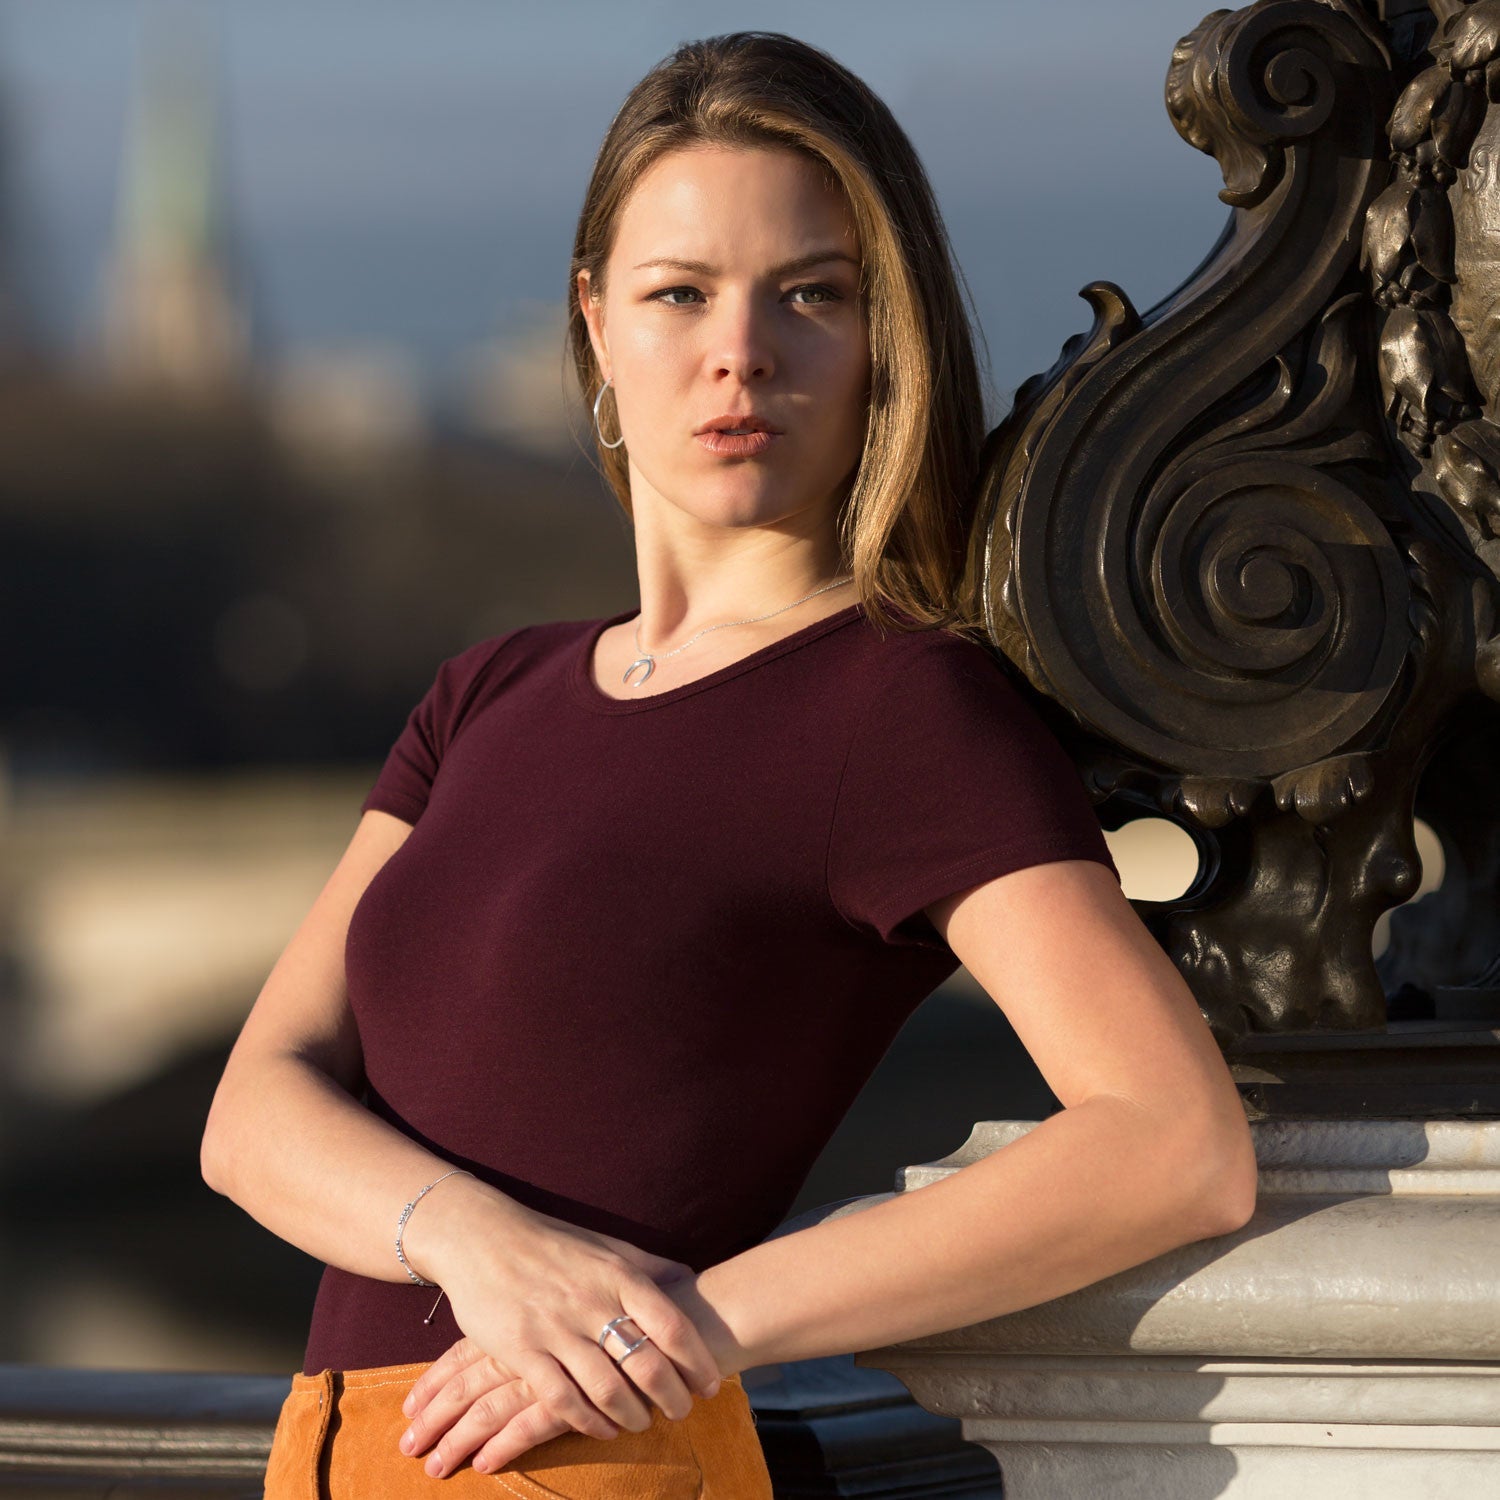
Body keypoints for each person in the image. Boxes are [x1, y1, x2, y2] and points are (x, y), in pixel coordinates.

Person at [203, 30, 1258, 1499]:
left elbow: (1173, 1143)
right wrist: (475, 1242)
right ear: (595, 324)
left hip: (589, 1458)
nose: (740, 351)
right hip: (330, 1460)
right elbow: (252, 1113)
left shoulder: (896, 705)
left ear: (885, 338)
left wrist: (699, 1322)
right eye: (679, 292)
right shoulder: (487, 694)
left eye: (813, 294)